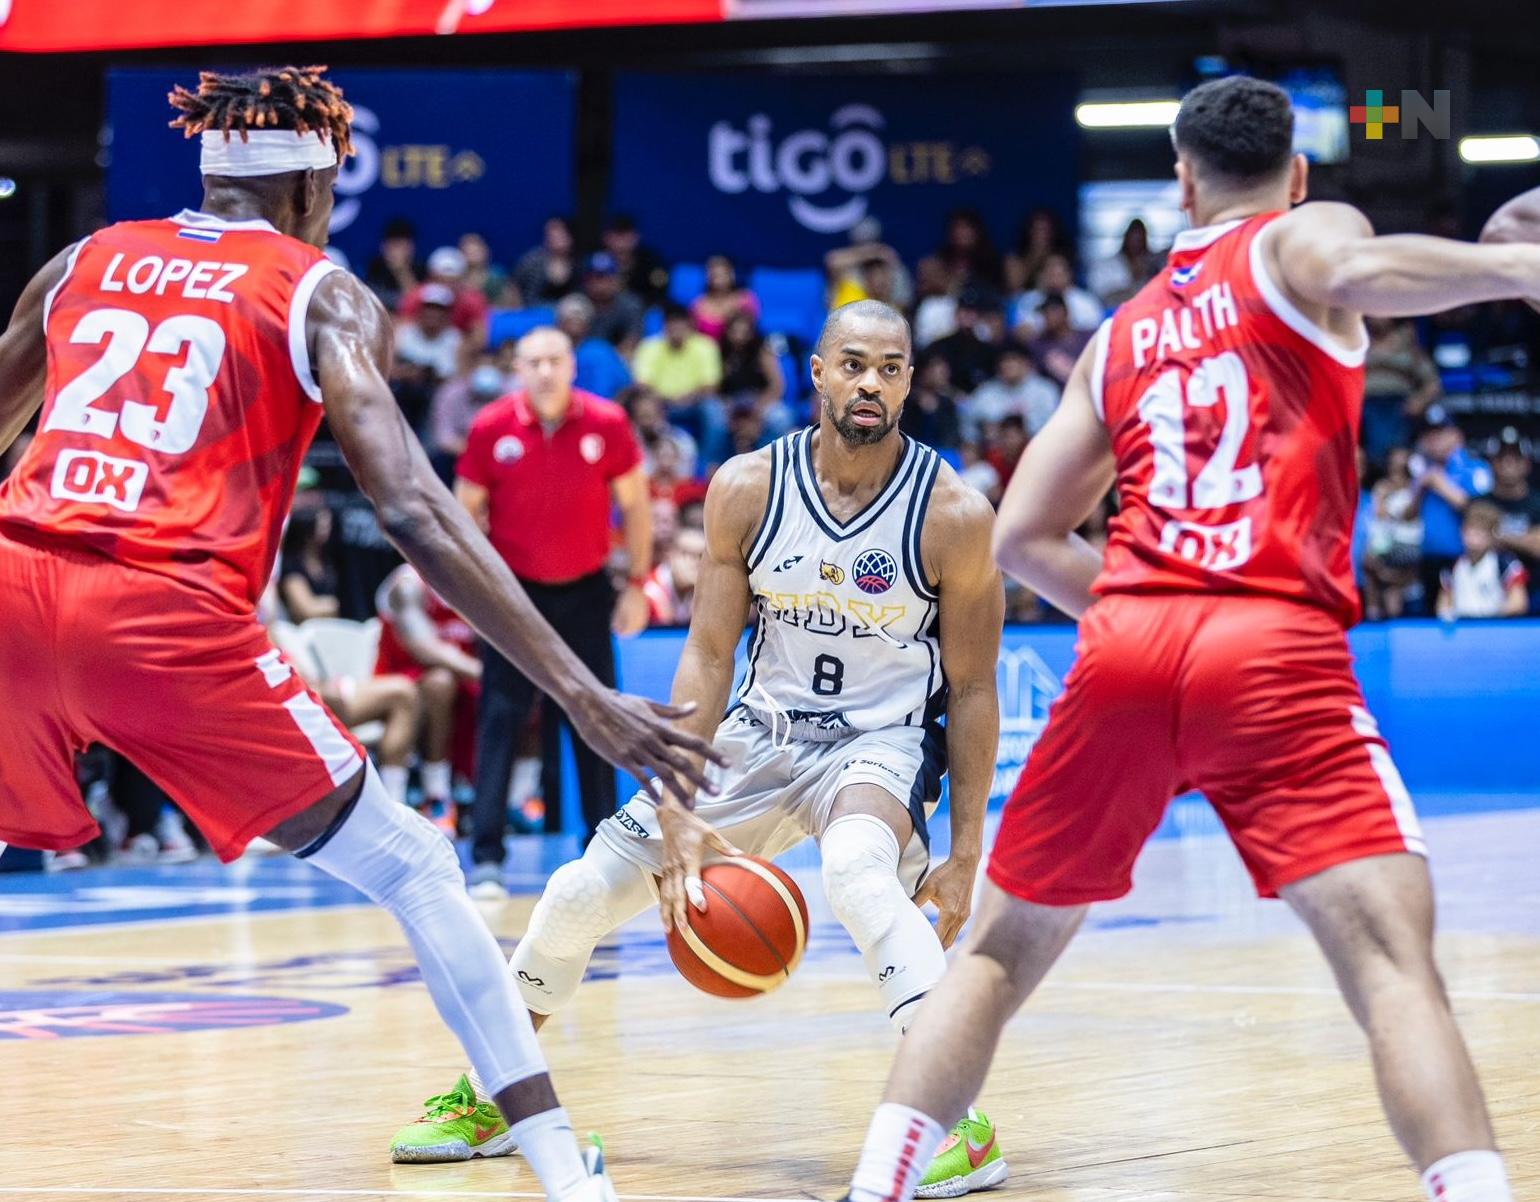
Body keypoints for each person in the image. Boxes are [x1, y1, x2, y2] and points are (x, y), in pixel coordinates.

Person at [0, 66, 722, 1202]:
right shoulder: (316, 289)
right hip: (160, 607)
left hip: (14, 581)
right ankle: (563, 1175)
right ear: (318, 187)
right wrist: (584, 692)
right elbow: (414, 510)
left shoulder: (82, 261)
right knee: (414, 863)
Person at [844, 75, 1532, 1202]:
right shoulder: (1307, 235)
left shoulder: (1116, 333)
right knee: (1390, 967)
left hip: (1123, 638)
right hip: (1270, 641)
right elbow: (1356, 272)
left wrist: (1139, 602)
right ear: (1294, 174)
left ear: (1180, 177)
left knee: (994, 957)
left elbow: (1021, 534)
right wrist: (1513, 269)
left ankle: (875, 1186)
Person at [391, 301, 1010, 1200]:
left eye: (890, 368)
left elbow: (975, 689)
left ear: (911, 381)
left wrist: (963, 859)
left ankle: (958, 1126)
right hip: (758, 734)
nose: (870, 383)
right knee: (573, 893)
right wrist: (676, 805)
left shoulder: (952, 512)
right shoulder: (748, 488)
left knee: (859, 873)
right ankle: (495, 1095)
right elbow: (711, 655)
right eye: (853, 364)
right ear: (817, 372)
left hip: (879, 740)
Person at [456, 327, 654, 892]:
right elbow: (463, 512)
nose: (544, 371)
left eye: (554, 361)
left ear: (572, 366)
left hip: (587, 591)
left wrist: (637, 583)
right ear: (517, 368)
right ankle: (488, 856)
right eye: (533, 361)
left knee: (596, 717)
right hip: (513, 598)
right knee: (499, 719)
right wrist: (477, 592)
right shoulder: (491, 426)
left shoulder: (607, 424)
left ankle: (603, 850)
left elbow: (636, 506)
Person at [375, 564, 483, 827]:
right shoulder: (409, 583)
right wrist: (484, 674)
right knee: (440, 682)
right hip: (408, 684)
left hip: (465, 686)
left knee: (527, 686)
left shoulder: (474, 581)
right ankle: (436, 793)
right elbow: (424, 649)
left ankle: (517, 797)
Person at [1409, 406, 1493, 611]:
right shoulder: (1422, 471)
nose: (1434, 439)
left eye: (1441, 432)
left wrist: (1440, 484)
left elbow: (1482, 511)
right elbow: (1408, 516)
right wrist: (1420, 488)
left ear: (1457, 435)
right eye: (1429, 434)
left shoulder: (1474, 468)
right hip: (1427, 560)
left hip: (1466, 560)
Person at [632, 303, 728, 469]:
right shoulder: (649, 346)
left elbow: (710, 386)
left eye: (681, 324)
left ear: (690, 325)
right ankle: (643, 466)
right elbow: (642, 385)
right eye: (672, 324)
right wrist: (663, 400)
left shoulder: (705, 346)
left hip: (695, 404)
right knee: (643, 406)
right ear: (665, 326)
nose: (676, 328)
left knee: (714, 409)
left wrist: (686, 398)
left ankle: (706, 466)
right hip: (660, 403)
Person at [1362, 317, 1441, 468]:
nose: (1376, 316)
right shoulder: (1357, 338)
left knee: (1395, 453)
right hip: (1365, 405)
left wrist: (1419, 401)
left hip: (1399, 405)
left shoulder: (1409, 344)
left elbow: (1432, 383)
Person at [1437, 500, 1529, 620]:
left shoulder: (1506, 565)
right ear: (1462, 531)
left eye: (1481, 533)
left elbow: (1518, 604)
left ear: (1493, 535)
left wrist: (1487, 615)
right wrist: (1449, 614)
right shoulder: (1452, 567)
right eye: (1470, 531)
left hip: (1495, 628)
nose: (1473, 538)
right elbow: (1443, 604)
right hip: (1461, 630)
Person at [965, 345, 1060, 438]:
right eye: (1004, 361)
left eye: (1013, 360)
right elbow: (970, 428)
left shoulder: (1045, 390)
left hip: (1037, 445)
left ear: (1026, 363)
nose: (1008, 365)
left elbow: (1053, 425)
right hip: (996, 449)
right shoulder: (985, 393)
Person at [398, 245, 489, 337]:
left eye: (452, 282)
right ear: (431, 278)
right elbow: (401, 330)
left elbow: (479, 337)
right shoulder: (416, 297)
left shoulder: (473, 301)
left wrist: (459, 350)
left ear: (461, 280)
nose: (447, 287)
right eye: (441, 281)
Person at [556, 292, 631, 400]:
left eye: (580, 317)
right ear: (559, 322)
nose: (575, 320)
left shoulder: (601, 351)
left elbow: (626, 387)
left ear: (587, 324)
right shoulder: (551, 354)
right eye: (570, 317)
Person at [1011, 252, 1103, 336]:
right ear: (1042, 275)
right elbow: (1021, 333)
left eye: (1058, 275)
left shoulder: (1086, 302)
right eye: (1051, 274)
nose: (1054, 280)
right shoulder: (1029, 300)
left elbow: (1094, 336)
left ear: (1069, 275)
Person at [278, 505, 341, 621]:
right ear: (308, 527)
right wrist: (337, 603)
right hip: (299, 632)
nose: (328, 529)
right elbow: (306, 610)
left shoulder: (327, 561)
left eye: (328, 525)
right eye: (322, 526)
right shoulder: (292, 564)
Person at [1086, 216, 1160, 307]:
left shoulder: (1154, 265)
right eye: (1133, 238)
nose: (1136, 244)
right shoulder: (1105, 266)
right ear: (1125, 238)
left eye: (1140, 240)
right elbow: (1097, 294)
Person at [1022, 293, 1092, 389]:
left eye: (1052, 311)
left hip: (1088, 390)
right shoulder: (1037, 345)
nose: (1047, 316)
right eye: (1044, 313)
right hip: (1056, 398)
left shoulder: (1088, 337)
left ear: (1066, 312)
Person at [641, 523, 704, 627]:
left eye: (701, 557)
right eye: (687, 554)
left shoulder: (706, 592)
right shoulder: (647, 591)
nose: (695, 563)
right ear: (671, 554)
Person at [580, 252, 645, 353]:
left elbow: (632, 341)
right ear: (586, 281)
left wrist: (609, 361)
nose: (601, 284)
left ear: (617, 280)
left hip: (617, 362)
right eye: (596, 277)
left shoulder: (630, 305)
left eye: (606, 278)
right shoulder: (577, 303)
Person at [690, 255, 760, 339]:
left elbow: (749, 331)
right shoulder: (698, 304)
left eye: (722, 274)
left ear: (732, 274)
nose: (717, 278)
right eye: (713, 274)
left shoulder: (745, 299)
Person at [513, 216, 577, 307]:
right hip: (533, 311)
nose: (555, 237)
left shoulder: (578, 263)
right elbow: (514, 285)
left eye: (560, 233)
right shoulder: (531, 261)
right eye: (551, 234)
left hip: (566, 314)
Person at [363, 216, 422, 313]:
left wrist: (401, 270)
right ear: (383, 246)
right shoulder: (375, 267)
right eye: (393, 244)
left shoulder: (420, 268)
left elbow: (417, 305)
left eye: (401, 244)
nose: (396, 250)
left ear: (411, 247)